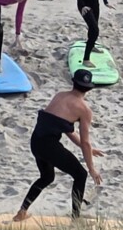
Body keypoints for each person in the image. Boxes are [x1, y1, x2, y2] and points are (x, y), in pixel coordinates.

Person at [14, 69, 104, 220]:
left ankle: (22, 212)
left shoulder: (60, 96)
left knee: (47, 177)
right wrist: (91, 169)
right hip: (49, 145)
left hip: (36, 141)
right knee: (81, 175)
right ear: (89, 88)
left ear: (73, 83)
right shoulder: (84, 110)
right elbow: (85, 142)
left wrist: (88, 149)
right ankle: (75, 219)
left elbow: (66, 129)